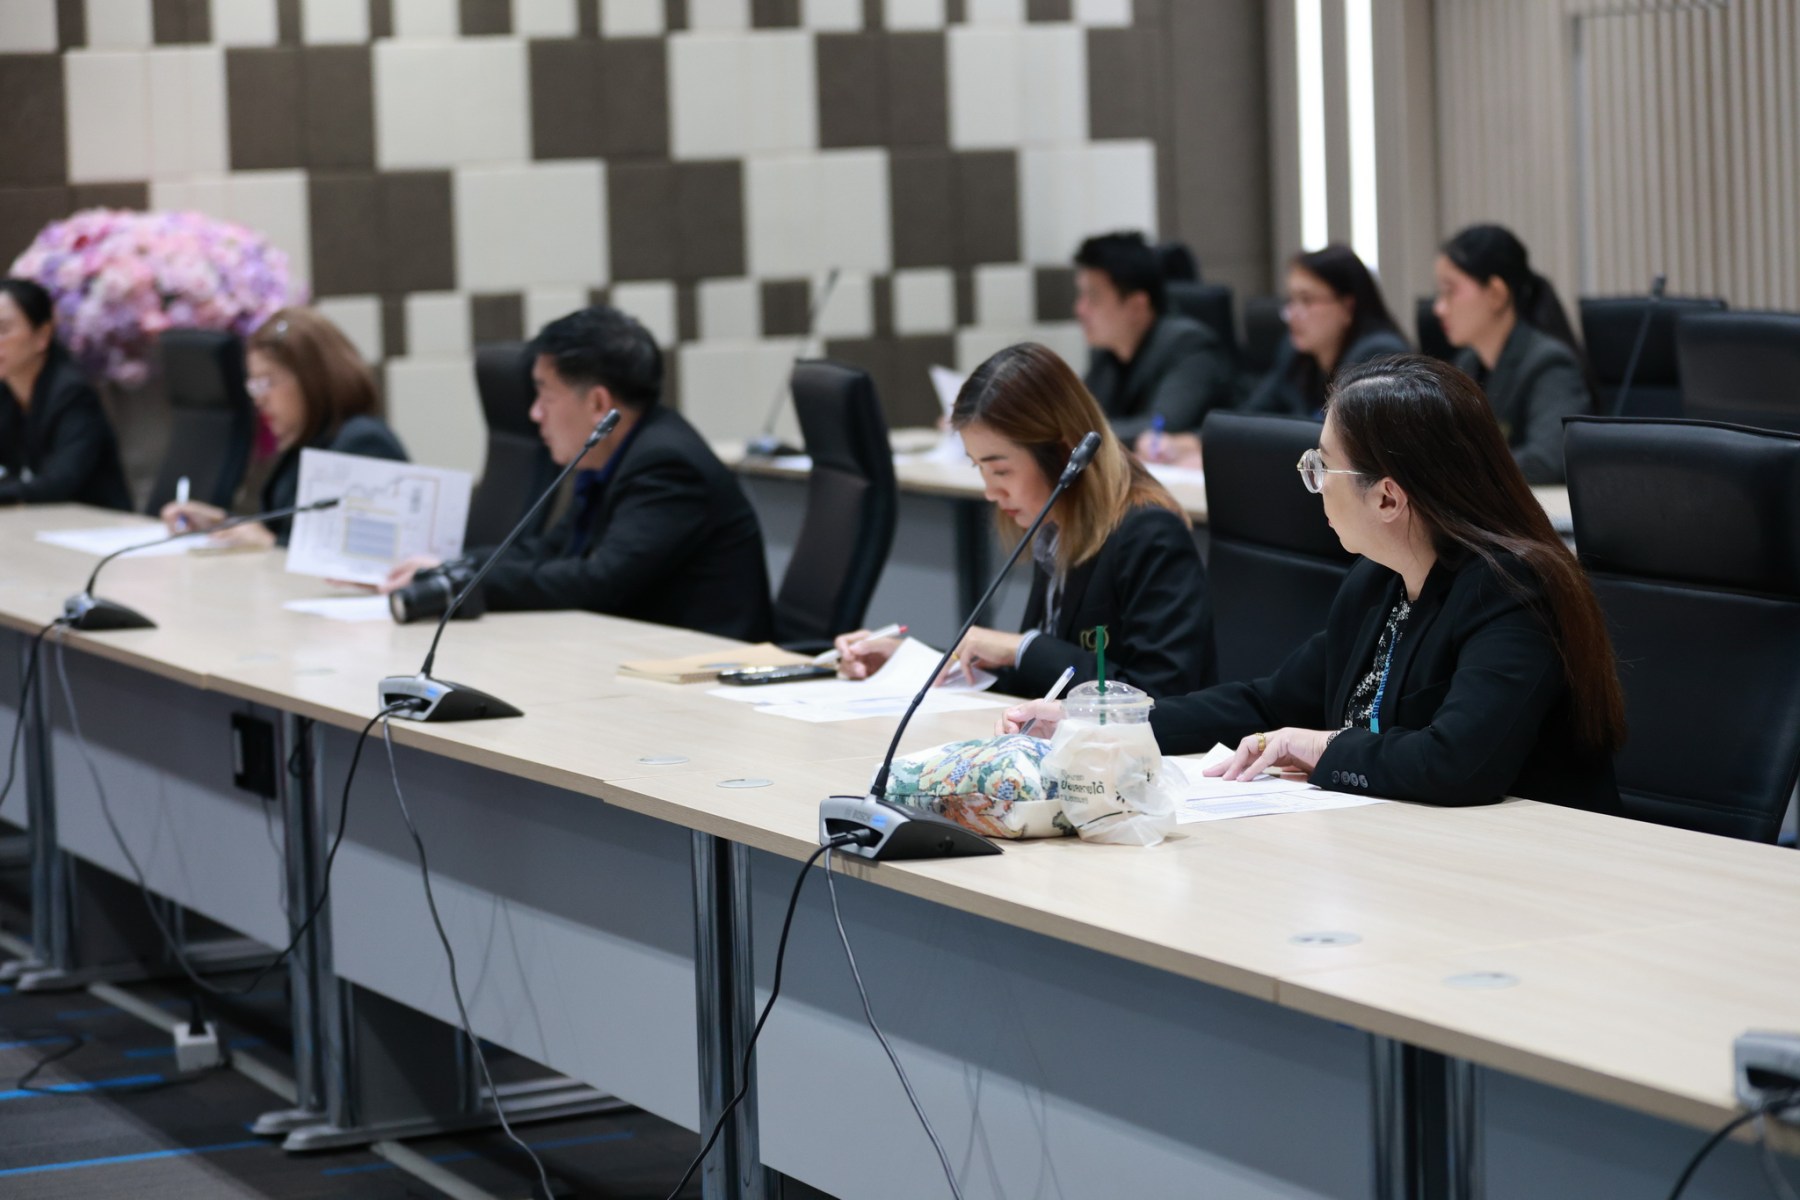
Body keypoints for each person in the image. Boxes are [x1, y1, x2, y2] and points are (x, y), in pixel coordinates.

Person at [1002, 355, 1625, 813]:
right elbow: (1266, 704)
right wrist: (1108, 724)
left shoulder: (1510, 591)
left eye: (1322, 466)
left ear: (1388, 497)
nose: (1314, 483)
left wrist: (1323, 748)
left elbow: (1456, 763)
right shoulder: (1378, 581)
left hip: (1531, 869)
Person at [835, 342, 1215, 700]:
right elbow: (1038, 682)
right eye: (979, 468)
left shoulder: (1149, 534)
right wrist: (912, 662)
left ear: (1065, 455)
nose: (990, 492)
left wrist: (1024, 649)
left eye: (1001, 471)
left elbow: (1158, 697)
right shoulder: (1056, 528)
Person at [380, 305, 772, 642]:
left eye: (545, 395)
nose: (535, 413)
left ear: (598, 403)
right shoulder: (615, 453)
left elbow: (599, 582)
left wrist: (465, 585)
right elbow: (552, 549)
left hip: (706, 668)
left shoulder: (667, 466)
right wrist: (452, 568)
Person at [1138, 244, 1408, 471]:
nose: (1292, 315)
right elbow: (1249, 418)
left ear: (1347, 307)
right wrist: (1195, 443)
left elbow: (1339, 445)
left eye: (1306, 300)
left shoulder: (1378, 357)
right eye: (1291, 301)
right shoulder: (1295, 352)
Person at [160, 307, 406, 546]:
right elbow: (290, 530)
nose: (259, 399)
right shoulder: (307, 441)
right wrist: (220, 523)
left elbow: (368, 554)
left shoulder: (363, 443)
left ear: (313, 378)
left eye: (268, 382)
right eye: (254, 385)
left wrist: (271, 543)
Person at [1435, 223, 1592, 484]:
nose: (1439, 308)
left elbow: (1547, 462)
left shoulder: (1549, 364)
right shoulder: (1467, 363)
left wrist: (1454, 470)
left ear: (1496, 294)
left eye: (1450, 291)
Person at [1075, 232, 1235, 441]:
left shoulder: (1190, 346)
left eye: (1093, 297)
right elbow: (1080, 417)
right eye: (1081, 295)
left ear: (1137, 305)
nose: (1080, 309)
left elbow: (1160, 428)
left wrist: (1077, 435)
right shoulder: (1106, 354)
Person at [0, 277, 132, 511]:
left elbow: (60, 481)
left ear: (42, 335)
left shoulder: (73, 393)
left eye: (3, 329)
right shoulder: (5, 391)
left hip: (94, 521)